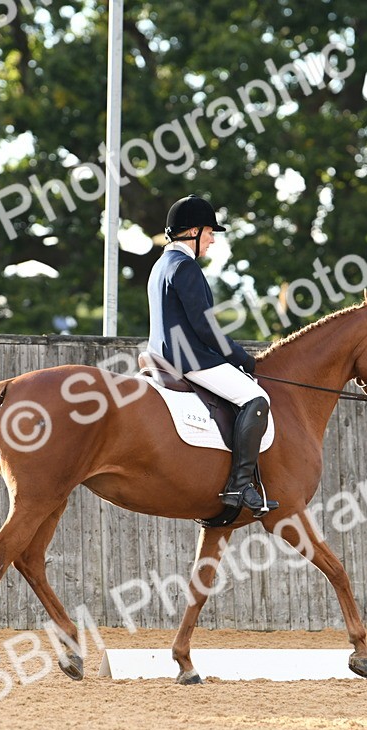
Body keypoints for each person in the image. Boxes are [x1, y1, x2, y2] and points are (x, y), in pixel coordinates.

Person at [146, 194, 278, 517]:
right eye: (209, 233)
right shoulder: (186, 268)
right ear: (192, 232)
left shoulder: (161, 265)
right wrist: (241, 357)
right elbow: (206, 330)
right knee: (256, 398)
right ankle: (239, 483)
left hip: (162, 355)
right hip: (190, 360)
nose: (212, 241)